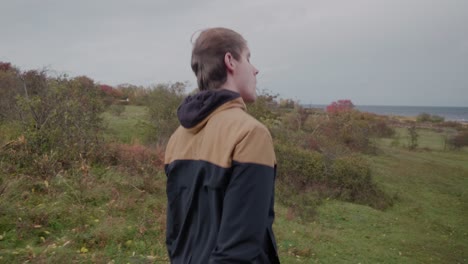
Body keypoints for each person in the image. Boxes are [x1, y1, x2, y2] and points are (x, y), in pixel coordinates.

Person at [164, 27, 280, 263]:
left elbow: (175, 235)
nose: (255, 69)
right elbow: (240, 248)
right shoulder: (250, 134)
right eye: (248, 58)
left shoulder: (177, 136)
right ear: (230, 61)